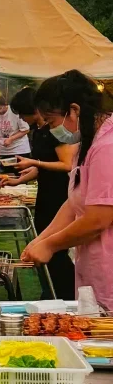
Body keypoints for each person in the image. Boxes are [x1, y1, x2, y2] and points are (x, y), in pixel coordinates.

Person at [20, 70, 113, 305]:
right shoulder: (89, 144)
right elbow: (73, 203)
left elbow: (98, 218)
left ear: (74, 110)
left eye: (52, 121)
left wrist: (51, 245)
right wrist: (41, 239)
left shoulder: (107, 147)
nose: (52, 129)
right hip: (94, 270)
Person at [0, 86, 76, 299]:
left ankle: (63, 294)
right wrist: (19, 180)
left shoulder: (58, 132)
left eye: (23, 114)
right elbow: (41, 167)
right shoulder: (41, 132)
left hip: (60, 196)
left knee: (56, 247)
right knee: (43, 240)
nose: (23, 119)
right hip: (46, 193)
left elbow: (67, 164)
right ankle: (49, 291)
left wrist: (34, 161)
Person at [0, 93, 31, 159]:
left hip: (19, 149)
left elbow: (26, 129)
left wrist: (11, 138)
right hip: (2, 151)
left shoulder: (14, 111)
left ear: (5, 105)